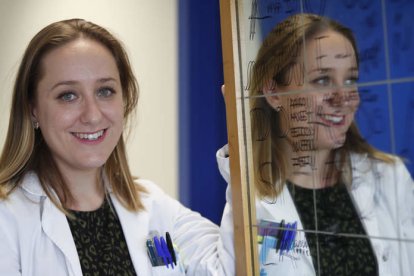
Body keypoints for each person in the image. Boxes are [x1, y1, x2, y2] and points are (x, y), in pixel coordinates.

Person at [0, 18, 229, 276]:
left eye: (105, 91)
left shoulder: (154, 210)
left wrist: (252, 138)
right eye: (68, 95)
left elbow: (236, 267)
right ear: (32, 110)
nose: (93, 115)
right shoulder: (7, 219)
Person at [217, 13, 414, 275]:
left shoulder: (390, 178)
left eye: (350, 80)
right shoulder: (251, 202)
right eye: (322, 80)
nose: (343, 97)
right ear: (274, 93)